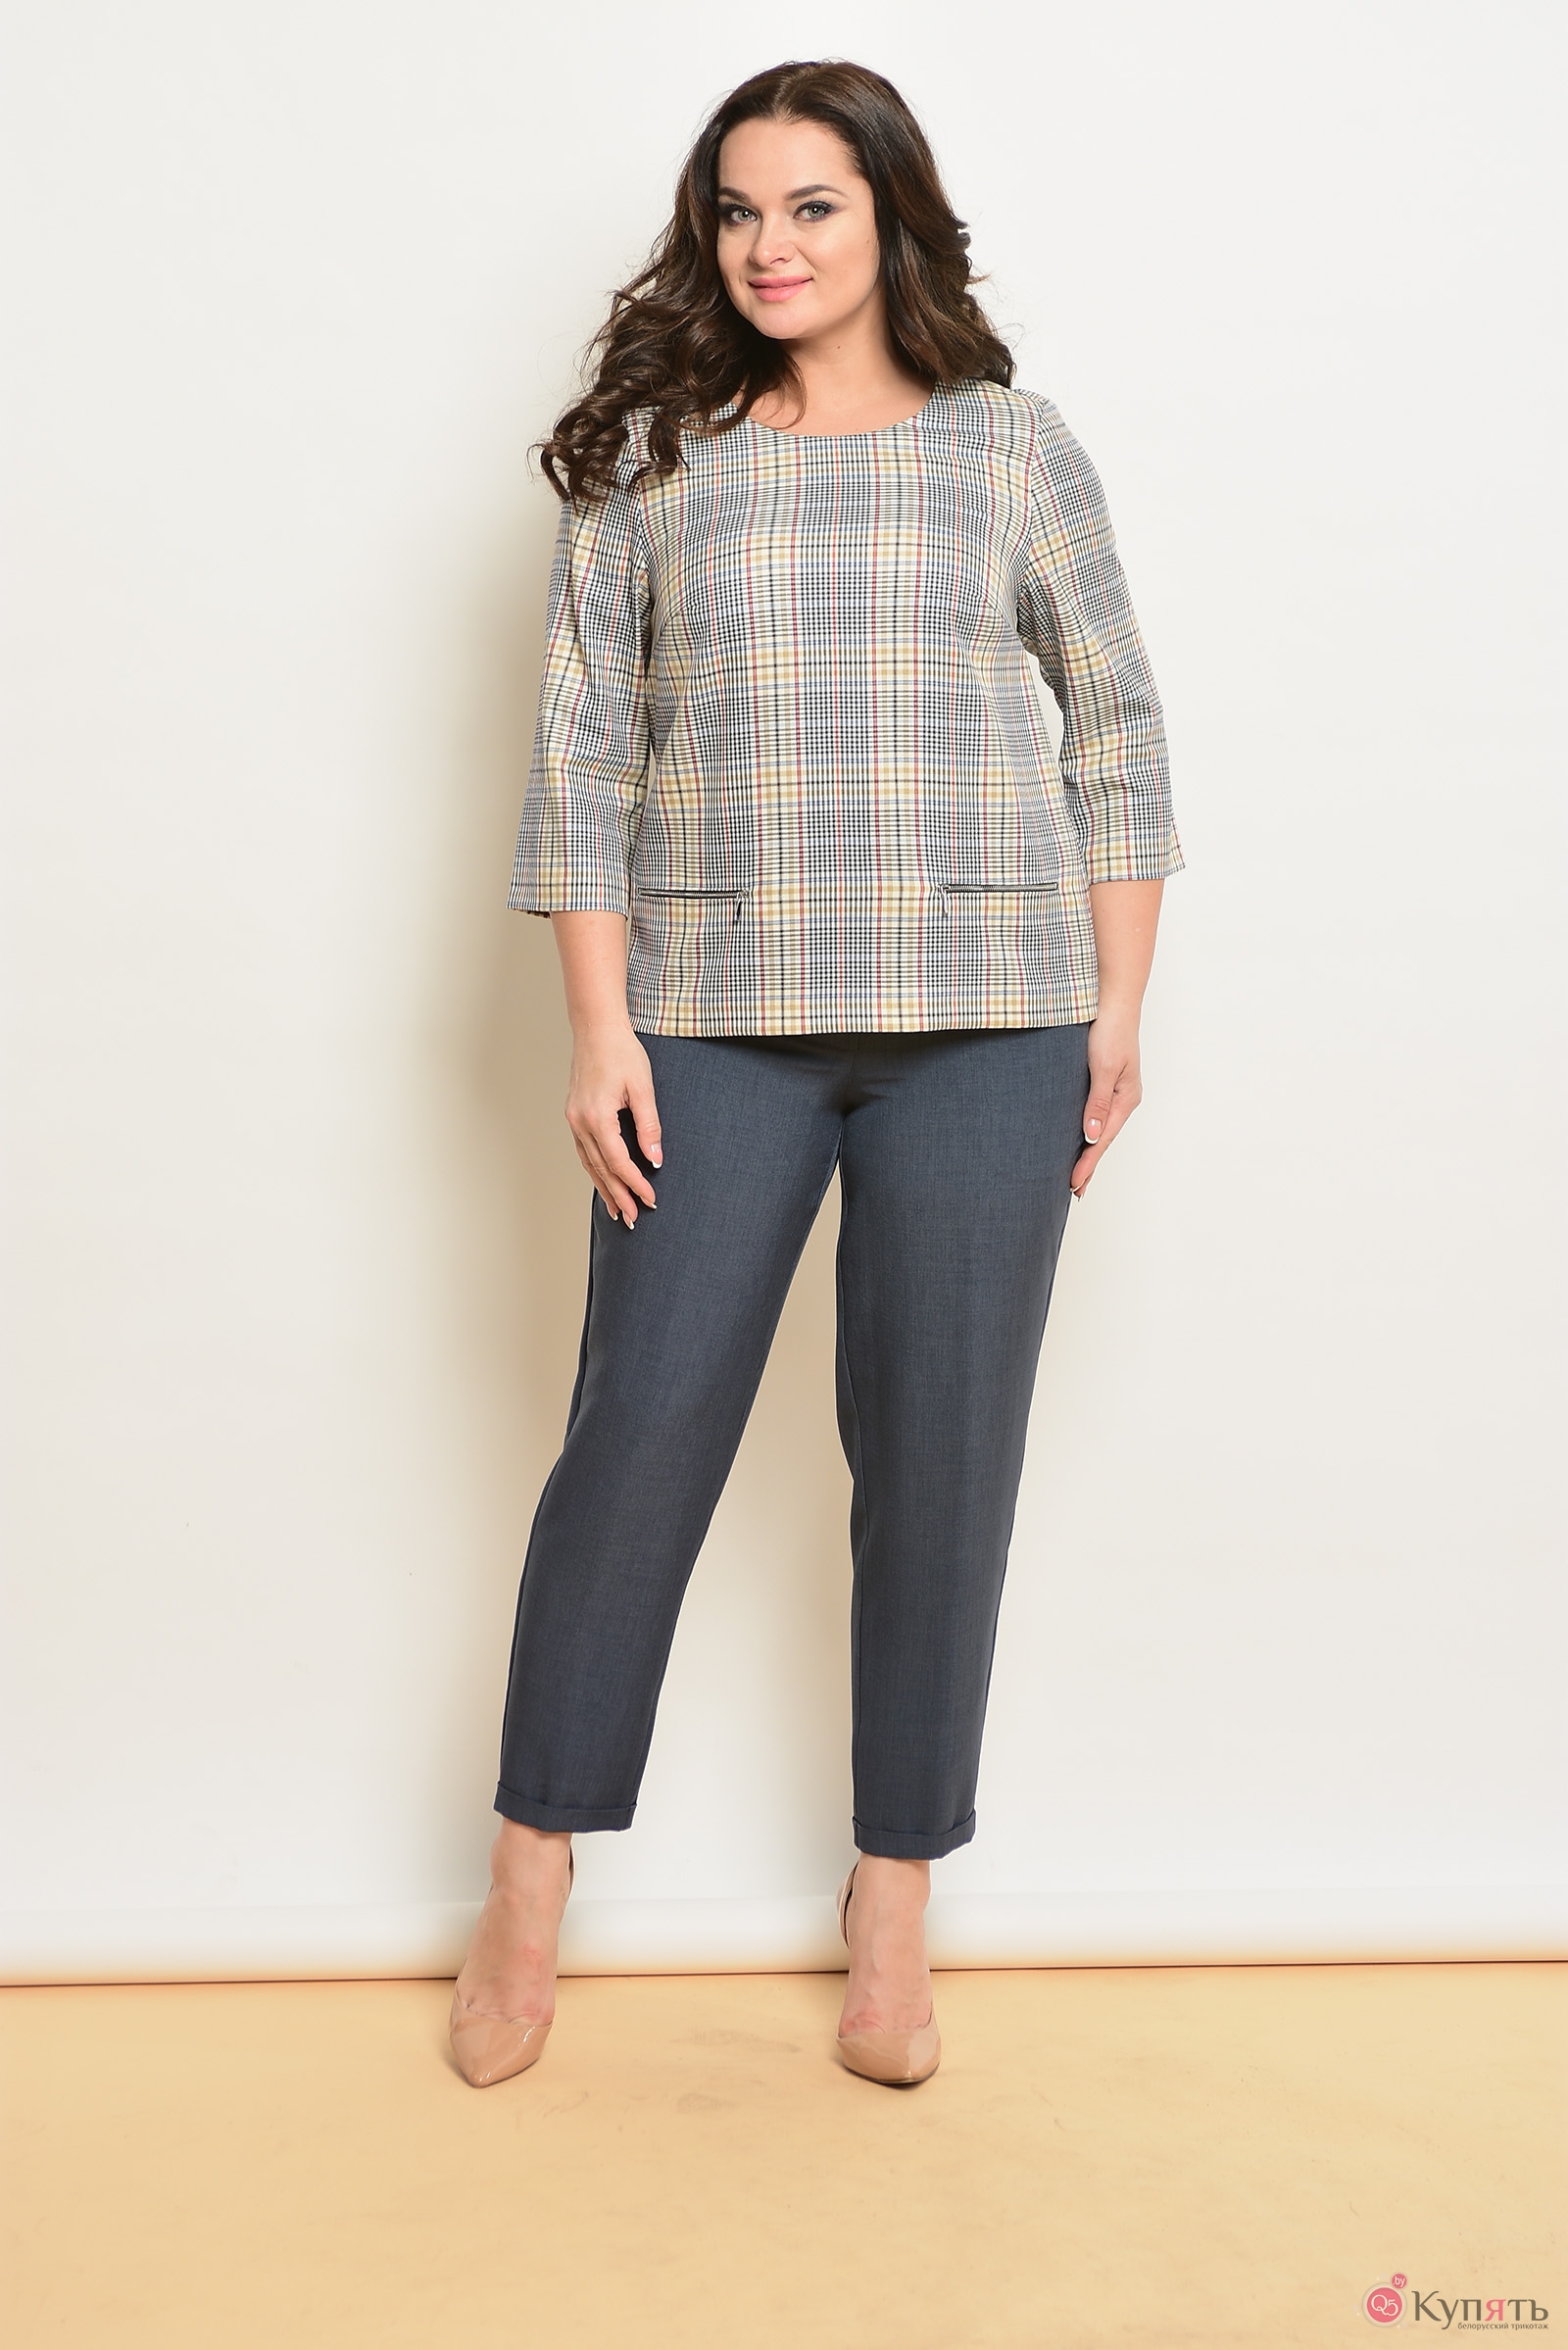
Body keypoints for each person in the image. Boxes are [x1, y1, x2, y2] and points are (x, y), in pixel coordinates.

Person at [450, 58, 1182, 2091]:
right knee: (636, 1437)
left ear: (891, 221)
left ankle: (894, 1899)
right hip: (709, 1015)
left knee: (943, 1458)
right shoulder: (653, 458)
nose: (769, 246)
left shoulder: (1010, 445)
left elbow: (1118, 724)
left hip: (991, 1016)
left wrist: (1117, 1008)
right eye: (738, 210)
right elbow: (580, 753)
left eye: (812, 207)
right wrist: (598, 1025)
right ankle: (526, 1876)